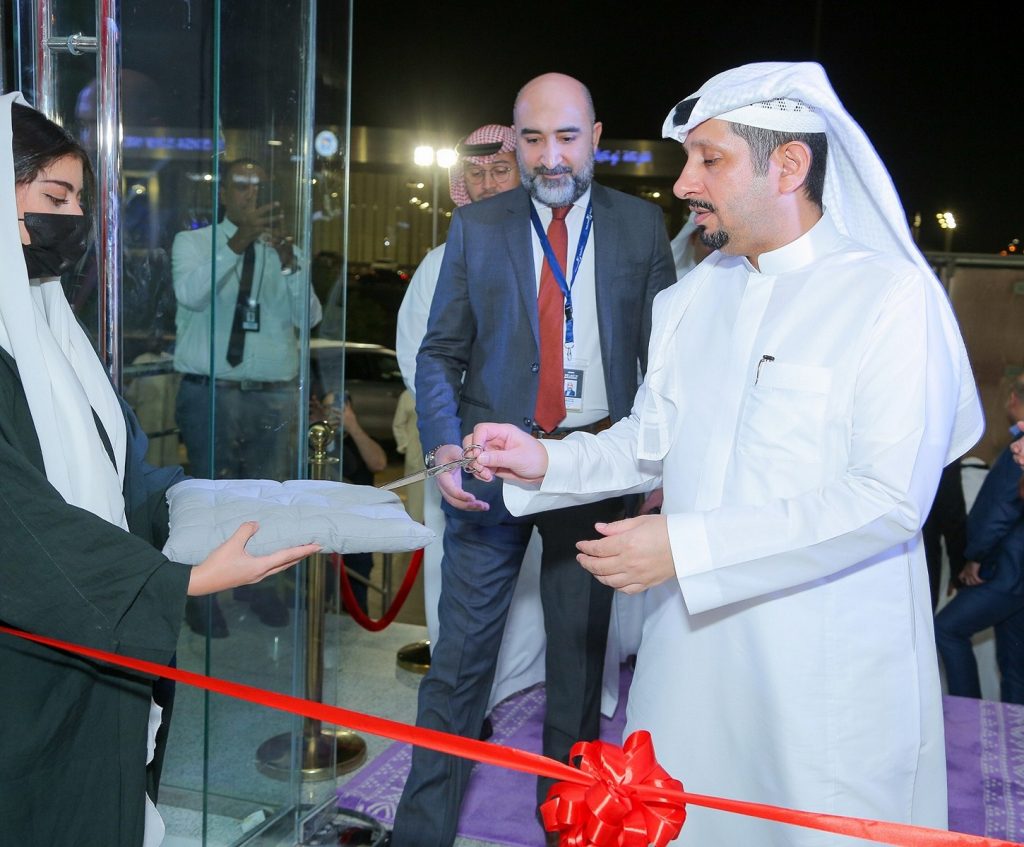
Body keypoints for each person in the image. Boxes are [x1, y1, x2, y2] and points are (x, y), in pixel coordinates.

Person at [466, 62, 983, 846]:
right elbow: (647, 444)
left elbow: (888, 501)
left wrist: (684, 547)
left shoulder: (889, 300)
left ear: (789, 165)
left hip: (818, 668)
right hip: (691, 662)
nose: (683, 184)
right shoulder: (690, 297)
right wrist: (545, 462)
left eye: (710, 159)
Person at [0, 93, 319, 847]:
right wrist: (178, 583)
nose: (74, 219)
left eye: (80, 200)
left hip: (87, 640)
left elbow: (115, 457)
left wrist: (195, 502)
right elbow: (19, 520)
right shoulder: (199, 245)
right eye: (55, 198)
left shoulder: (46, 323)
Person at [391, 74, 675, 847]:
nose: (551, 156)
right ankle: (420, 835)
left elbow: (666, 366)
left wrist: (656, 468)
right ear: (516, 142)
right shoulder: (477, 227)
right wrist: (444, 442)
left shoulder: (640, 227)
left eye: (568, 137)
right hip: (491, 469)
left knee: (578, 678)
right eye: (535, 138)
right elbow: (439, 353)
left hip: (593, 470)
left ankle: (567, 833)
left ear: (596, 138)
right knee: (457, 669)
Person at [395, 123, 546, 712]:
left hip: (539, 452)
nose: (486, 185)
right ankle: (469, 703)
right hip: (461, 452)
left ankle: (520, 688)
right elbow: (420, 358)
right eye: (475, 174)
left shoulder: (554, 255)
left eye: (500, 171)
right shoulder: (440, 262)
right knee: (459, 582)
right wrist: (453, 437)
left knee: (533, 580)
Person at [172, 157, 323, 634]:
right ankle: (200, 595)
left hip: (270, 397)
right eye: (241, 185)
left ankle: (257, 587)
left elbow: (310, 318)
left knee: (263, 498)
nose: (251, 194)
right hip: (211, 393)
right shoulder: (194, 243)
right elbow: (190, 294)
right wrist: (237, 243)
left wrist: (291, 264)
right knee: (208, 497)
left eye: (259, 186)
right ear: (223, 194)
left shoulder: (285, 251)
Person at [935, 376, 1024, 704]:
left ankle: (967, 716)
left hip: (1007, 570)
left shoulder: (1020, 447)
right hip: (1013, 570)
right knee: (1014, 665)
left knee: (946, 629)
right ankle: (1013, 732)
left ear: (1012, 398)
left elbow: (999, 509)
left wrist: (974, 556)